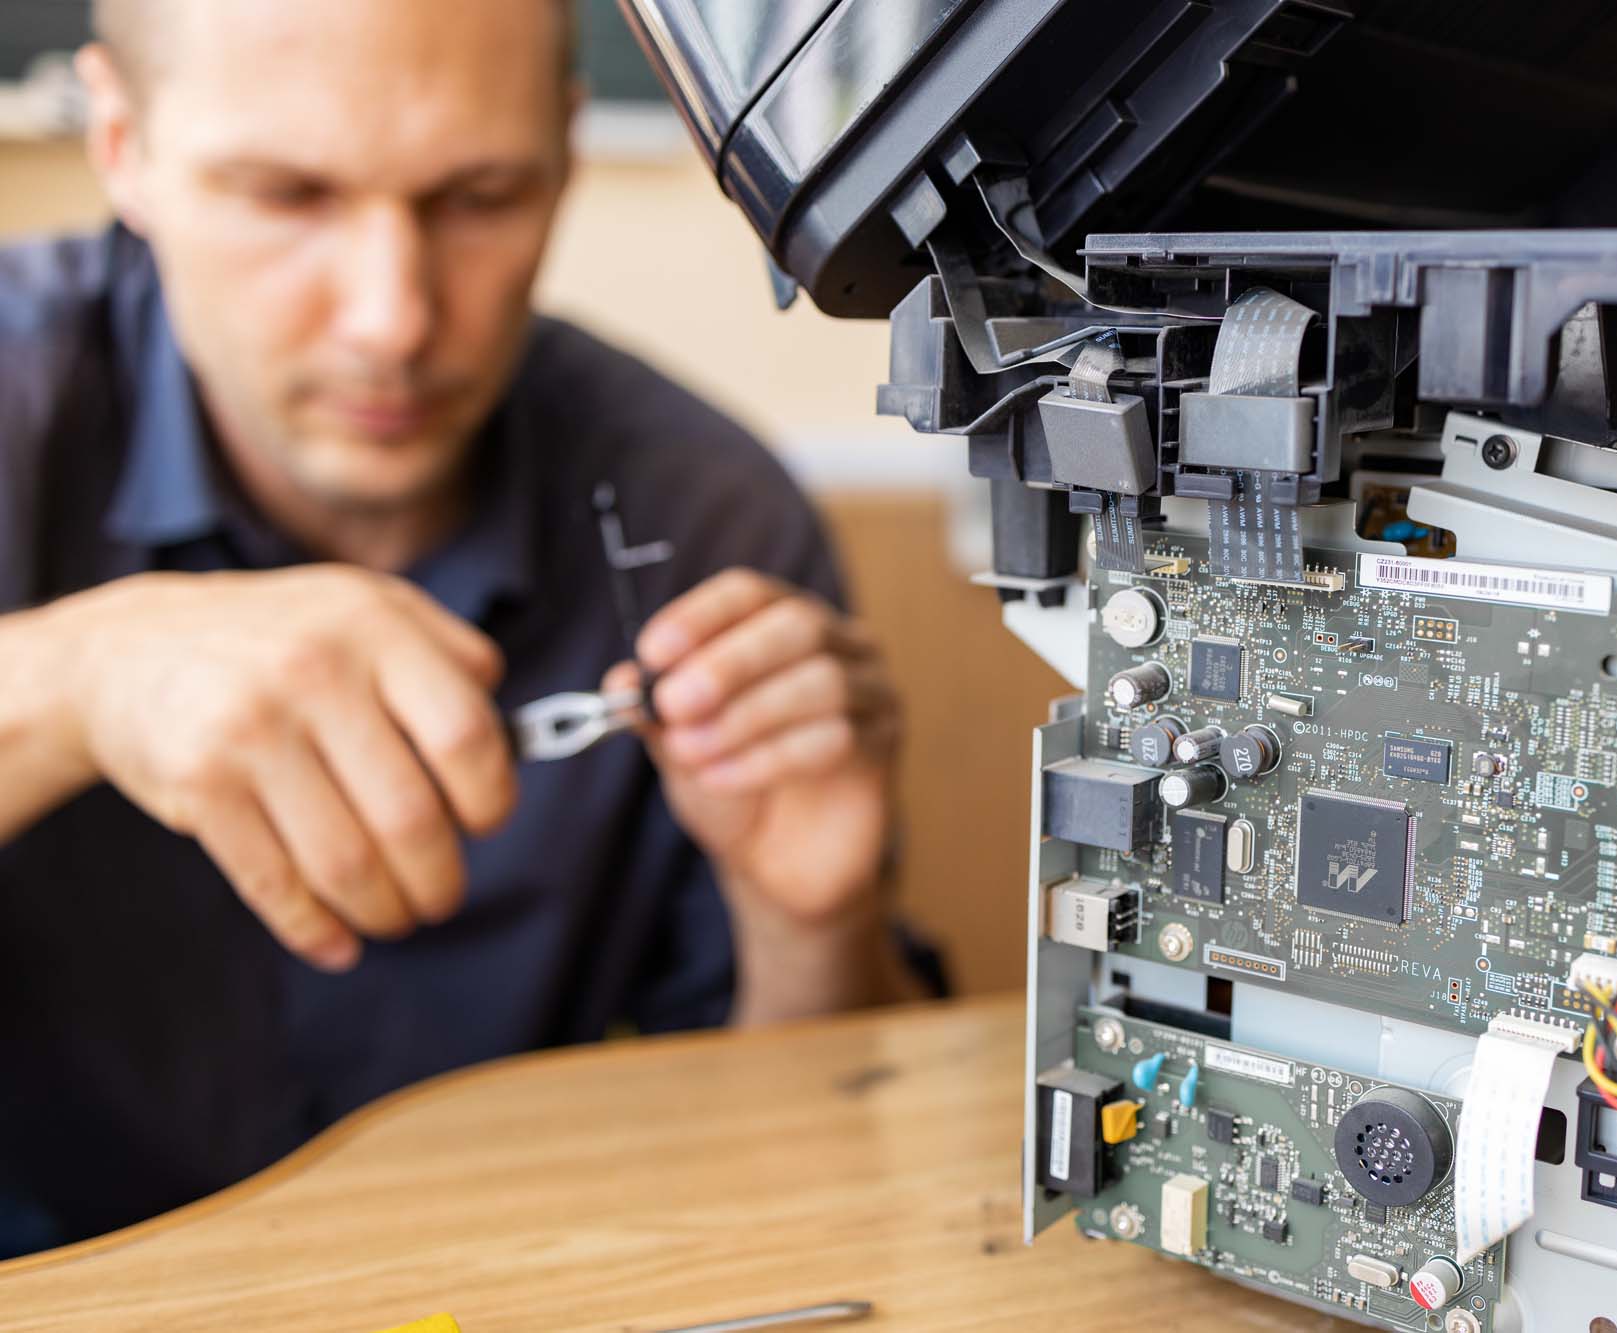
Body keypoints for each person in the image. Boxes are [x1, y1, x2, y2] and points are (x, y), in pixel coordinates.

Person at [0, 0, 930, 1254]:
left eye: (479, 197)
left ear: (563, 152)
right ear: (122, 145)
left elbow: (828, 1184)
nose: (391, 319)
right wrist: (65, 681)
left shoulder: (697, 515)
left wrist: (809, 922)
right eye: (287, 195)